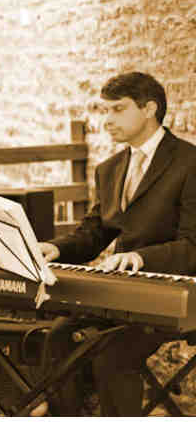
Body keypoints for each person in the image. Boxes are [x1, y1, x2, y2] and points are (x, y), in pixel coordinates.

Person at [38, 71, 196, 416]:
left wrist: (141, 257)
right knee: (58, 338)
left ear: (149, 109)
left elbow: (192, 245)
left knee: (113, 354)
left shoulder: (190, 163)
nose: (107, 120)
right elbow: (95, 232)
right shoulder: (109, 169)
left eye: (118, 109)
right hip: (122, 295)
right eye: (104, 110)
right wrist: (57, 248)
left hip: (175, 295)